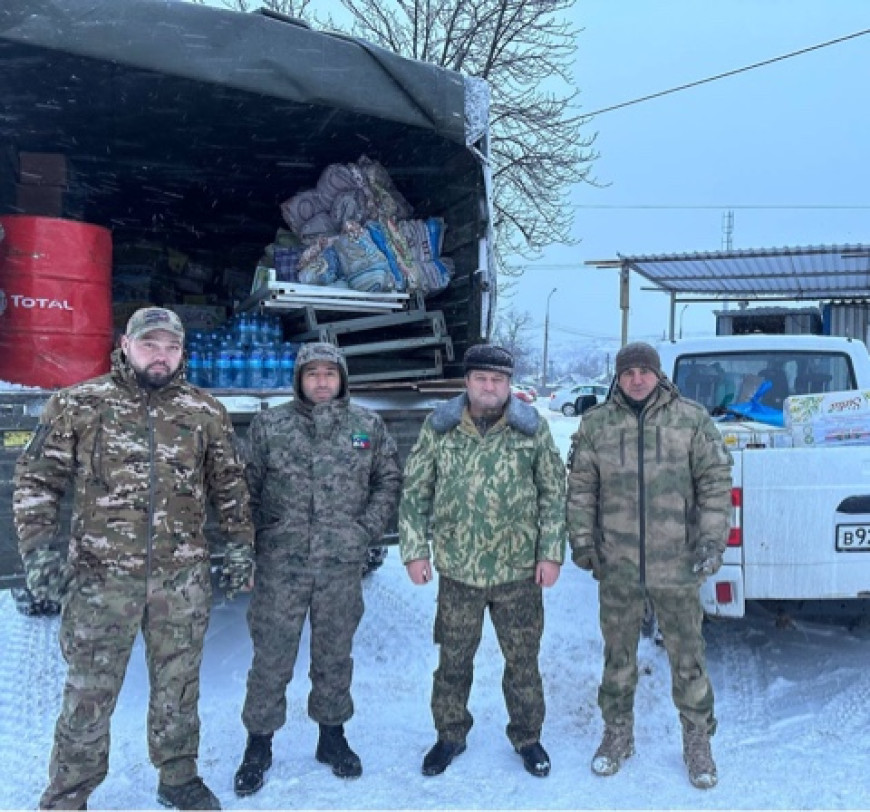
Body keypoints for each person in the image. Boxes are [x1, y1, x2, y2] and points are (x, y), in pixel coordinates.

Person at [13, 306, 255, 811]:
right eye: (150, 344)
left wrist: (238, 549)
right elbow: (38, 481)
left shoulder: (204, 412)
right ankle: (68, 793)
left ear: (182, 352)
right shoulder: (79, 404)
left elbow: (230, 487)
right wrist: (38, 554)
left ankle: (178, 777)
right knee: (88, 694)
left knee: (179, 686)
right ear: (126, 345)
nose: (160, 355)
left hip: (180, 581)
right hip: (101, 582)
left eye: (170, 346)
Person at [233, 341, 401, 795]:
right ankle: (259, 743)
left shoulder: (366, 425)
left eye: (331, 373)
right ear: (299, 380)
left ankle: (332, 737)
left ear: (342, 378)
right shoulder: (271, 426)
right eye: (313, 374)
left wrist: (364, 530)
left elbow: (387, 480)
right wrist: (248, 547)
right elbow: (244, 488)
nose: (322, 381)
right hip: (280, 562)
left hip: (339, 563)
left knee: (333, 655)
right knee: (271, 656)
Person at [566, 341, 732, 790]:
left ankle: (697, 739)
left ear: (659, 375)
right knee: (618, 656)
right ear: (618, 378)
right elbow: (581, 489)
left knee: (687, 655)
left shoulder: (690, 420)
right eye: (628, 372)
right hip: (617, 563)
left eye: (644, 371)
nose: (636, 379)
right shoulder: (597, 425)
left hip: (677, 562)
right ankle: (617, 734)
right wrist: (582, 541)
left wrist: (711, 541)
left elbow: (715, 485)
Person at [399, 344, 566, 779]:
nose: (489, 387)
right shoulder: (440, 429)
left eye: (497, 380)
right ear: (467, 382)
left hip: (519, 572)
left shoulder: (532, 430)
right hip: (459, 571)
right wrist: (415, 551)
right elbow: (415, 493)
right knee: (453, 661)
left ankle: (528, 737)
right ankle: (449, 734)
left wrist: (551, 553)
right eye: (481, 379)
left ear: (509, 384)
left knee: (523, 662)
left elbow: (553, 496)